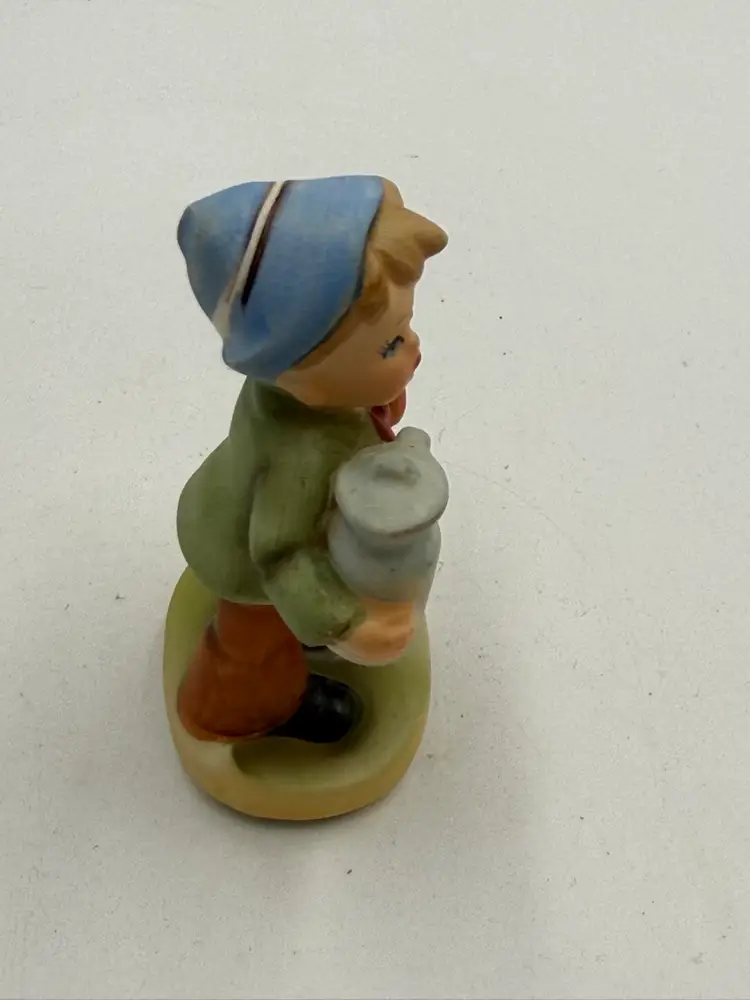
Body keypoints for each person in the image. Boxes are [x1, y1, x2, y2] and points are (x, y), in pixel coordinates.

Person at [175, 174, 447, 744]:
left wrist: (374, 394)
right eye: (390, 345)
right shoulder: (300, 451)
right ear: (303, 377)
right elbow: (280, 554)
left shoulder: (307, 393)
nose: (415, 349)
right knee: (251, 646)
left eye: (405, 330)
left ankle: (298, 628)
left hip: (249, 507)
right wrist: (347, 624)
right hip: (243, 556)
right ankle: (236, 710)